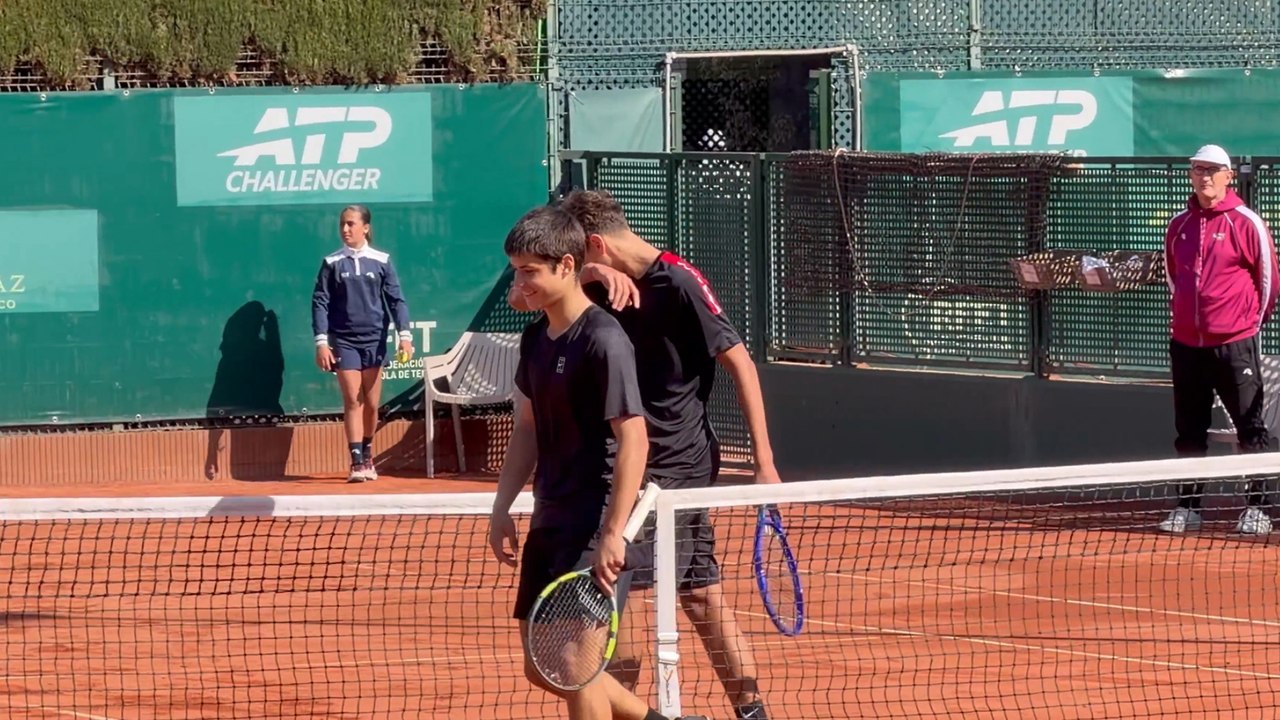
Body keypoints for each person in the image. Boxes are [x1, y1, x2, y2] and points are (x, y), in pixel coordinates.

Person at [511, 189, 781, 720]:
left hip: (675, 467)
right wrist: (589, 278)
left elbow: (741, 365)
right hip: (627, 464)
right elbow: (533, 295)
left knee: (628, 601)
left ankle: (743, 714)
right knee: (698, 595)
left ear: (591, 245)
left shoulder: (678, 281)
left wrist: (764, 461)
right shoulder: (594, 287)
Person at [488, 205, 692, 720]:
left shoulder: (604, 339)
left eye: (529, 271)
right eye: (516, 271)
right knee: (544, 666)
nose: (520, 283)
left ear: (564, 266)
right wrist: (500, 507)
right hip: (550, 516)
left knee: (578, 667)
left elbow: (635, 441)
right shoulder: (535, 338)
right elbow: (528, 430)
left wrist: (613, 533)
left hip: (595, 518)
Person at [1160, 144, 1280, 535]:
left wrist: (1245, 325)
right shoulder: (1178, 224)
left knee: (1251, 428)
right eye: (1197, 170)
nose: (1204, 177)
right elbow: (1174, 277)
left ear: (1229, 176)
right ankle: (1189, 508)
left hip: (1236, 343)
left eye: (1212, 170)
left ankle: (1258, 509)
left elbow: (1268, 283)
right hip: (1186, 347)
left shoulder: (1247, 222)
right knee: (1188, 432)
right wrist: (1188, 322)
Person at [311, 205, 414, 483]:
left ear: (365, 227)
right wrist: (322, 342)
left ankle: (368, 451)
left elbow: (396, 300)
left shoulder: (381, 261)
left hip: (375, 340)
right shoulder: (331, 263)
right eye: (342, 224)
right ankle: (356, 462)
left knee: (371, 403)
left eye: (351, 224)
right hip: (344, 340)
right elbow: (320, 302)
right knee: (352, 400)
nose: (345, 229)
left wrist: (405, 336)